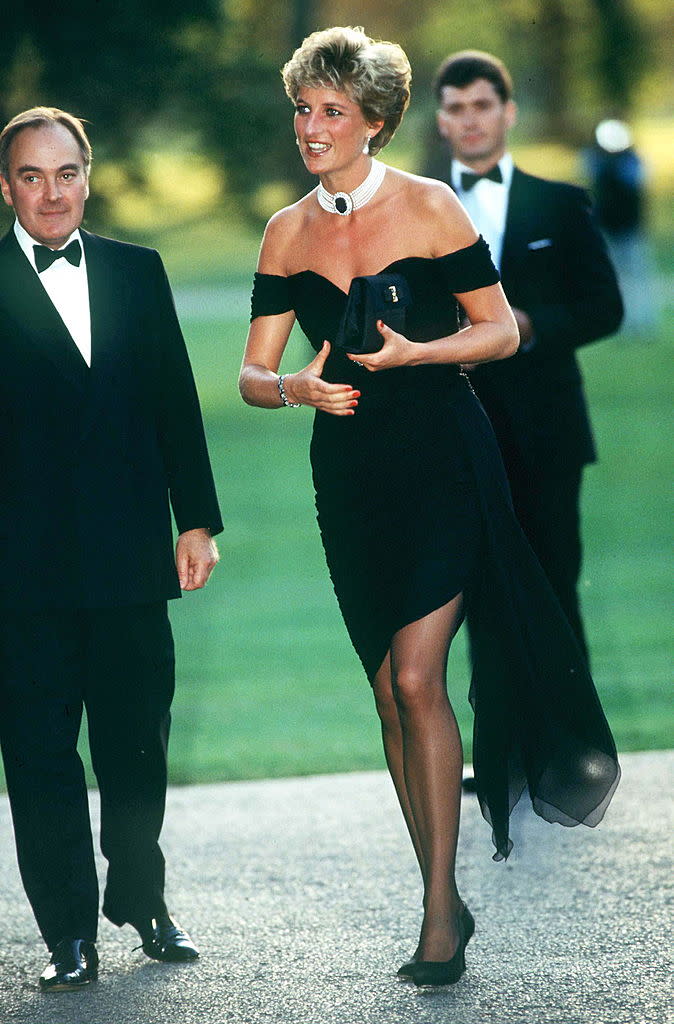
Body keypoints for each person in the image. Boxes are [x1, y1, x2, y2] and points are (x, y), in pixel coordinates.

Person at [239, 27, 620, 989]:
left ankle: (437, 914)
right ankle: (443, 889)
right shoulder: (285, 231)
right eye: (303, 108)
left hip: (447, 460)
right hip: (351, 479)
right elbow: (251, 372)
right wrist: (295, 390)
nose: (311, 126)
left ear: (374, 120)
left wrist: (416, 355)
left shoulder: (430, 204)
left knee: (418, 682)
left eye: (331, 111)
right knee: (385, 693)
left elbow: (495, 334)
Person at [0, 107, 222, 991]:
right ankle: (67, 934)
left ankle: (141, 896)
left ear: (88, 176)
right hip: (20, 570)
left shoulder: (139, 270)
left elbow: (174, 399)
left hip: (132, 556)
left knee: (138, 744)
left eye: (65, 173)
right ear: (6, 184)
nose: (50, 193)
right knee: (40, 752)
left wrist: (196, 519)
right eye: (29, 175)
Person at [430, 51, 624, 663]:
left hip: (548, 430)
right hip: (459, 434)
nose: (470, 121)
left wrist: (532, 324)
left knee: (556, 590)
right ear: (439, 120)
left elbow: (605, 307)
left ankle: (577, 760)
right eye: (456, 109)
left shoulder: (560, 204)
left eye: (482, 105)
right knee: (481, 599)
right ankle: (501, 760)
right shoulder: (416, 212)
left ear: (508, 112)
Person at [584, 118, 658, 334]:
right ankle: (623, 322)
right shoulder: (597, 160)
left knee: (637, 274)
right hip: (608, 227)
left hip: (630, 228)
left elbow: (633, 185)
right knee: (616, 277)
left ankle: (644, 322)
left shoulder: (631, 161)